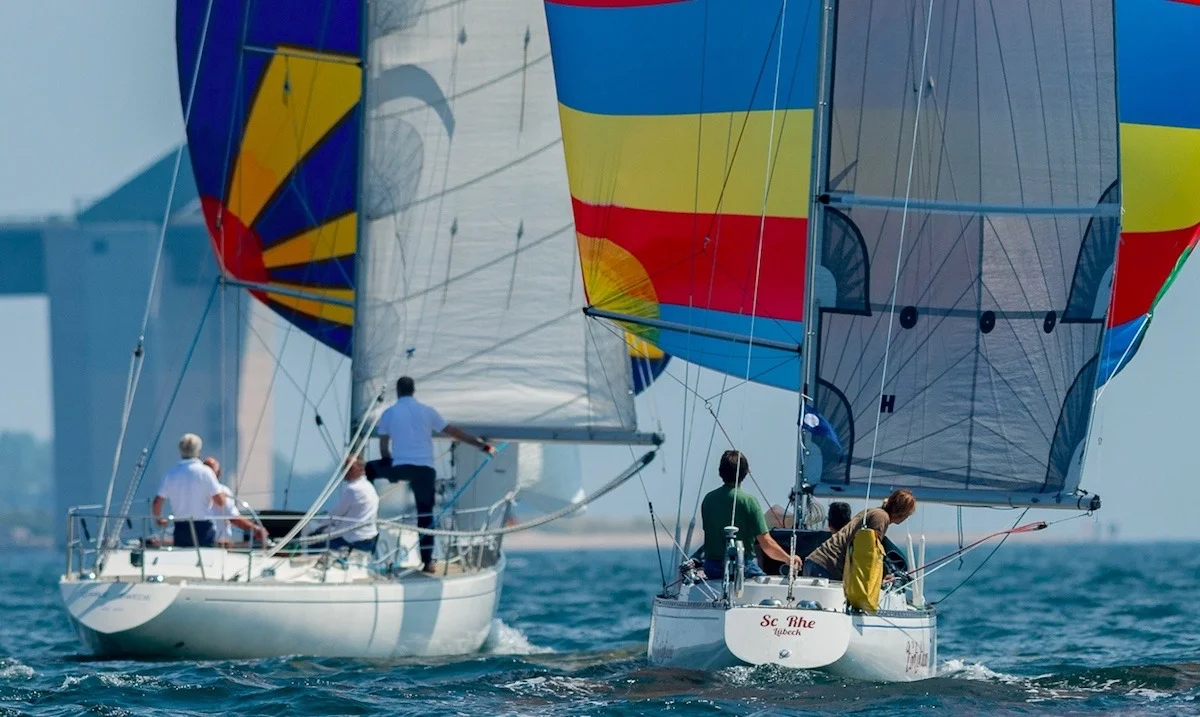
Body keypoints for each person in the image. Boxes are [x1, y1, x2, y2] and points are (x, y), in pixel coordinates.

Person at [369, 376, 494, 573]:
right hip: (425, 470)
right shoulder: (427, 412)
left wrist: (390, 470)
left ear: (398, 391)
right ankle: (428, 562)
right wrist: (481, 444)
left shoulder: (389, 413)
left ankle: (364, 516)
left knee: (368, 469)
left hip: (401, 467)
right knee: (425, 515)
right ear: (413, 390)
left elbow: (384, 447)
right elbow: (453, 431)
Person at [700, 450, 802, 579]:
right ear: (745, 473)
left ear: (720, 472)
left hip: (711, 568)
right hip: (743, 567)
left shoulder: (709, 499)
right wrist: (789, 559)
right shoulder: (749, 502)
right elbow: (766, 543)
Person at [802, 489, 917, 580]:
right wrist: (880, 578)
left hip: (815, 562)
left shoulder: (873, 512)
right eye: (908, 514)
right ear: (901, 513)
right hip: (828, 566)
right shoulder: (881, 518)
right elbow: (868, 554)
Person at [152, 433, 226, 548]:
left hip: (181, 528)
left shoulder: (171, 474)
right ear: (198, 451)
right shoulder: (205, 472)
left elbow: (157, 502)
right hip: (203, 528)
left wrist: (159, 520)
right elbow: (220, 502)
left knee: (182, 562)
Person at [310, 456, 380, 553]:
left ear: (360, 470)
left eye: (349, 468)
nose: (345, 470)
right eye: (345, 467)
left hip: (354, 540)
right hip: (369, 540)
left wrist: (317, 526)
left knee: (314, 541)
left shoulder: (353, 489)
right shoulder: (369, 487)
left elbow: (337, 514)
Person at [202, 457, 269, 547]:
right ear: (219, 473)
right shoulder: (223, 491)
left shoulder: (194, 491)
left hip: (199, 541)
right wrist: (255, 529)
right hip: (218, 544)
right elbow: (233, 517)